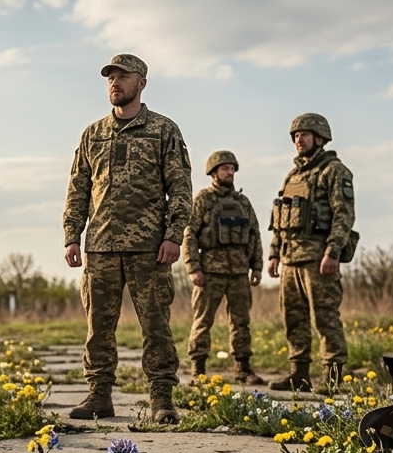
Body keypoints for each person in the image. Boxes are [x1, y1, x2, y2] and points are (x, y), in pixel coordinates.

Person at [63, 54, 191, 422]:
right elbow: (78, 189)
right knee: (98, 328)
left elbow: (180, 189)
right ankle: (98, 395)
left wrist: (173, 236)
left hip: (149, 248)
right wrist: (72, 236)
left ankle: (162, 399)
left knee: (156, 326)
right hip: (100, 246)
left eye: (123, 76)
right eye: (110, 78)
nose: (115, 83)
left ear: (142, 83)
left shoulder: (164, 130)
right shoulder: (93, 134)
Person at [267, 113, 356, 392]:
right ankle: (299, 375)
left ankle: (332, 378)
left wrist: (333, 252)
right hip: (290, 259)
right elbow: (281, 218)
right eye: (295, 135)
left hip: (318, 259)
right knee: (293, 319)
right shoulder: (293, 175)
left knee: (325, 317)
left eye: (304, 134)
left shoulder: (334, 171)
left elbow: (344, 215)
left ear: (319, 138)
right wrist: (274, 254)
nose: (298, 139)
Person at [182, 150, 264, 384]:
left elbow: (254, 234)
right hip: (209, 271)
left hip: (239, 271)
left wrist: (257, 267)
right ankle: (198, 371)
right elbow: (189, 235)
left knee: (241, 321)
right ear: (213, 172)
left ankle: (243, 368)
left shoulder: (242, 202)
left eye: (232, 169)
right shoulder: (203, 200)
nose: (230, 172)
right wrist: (193, 268)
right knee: (203, 320)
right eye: (225, 168)